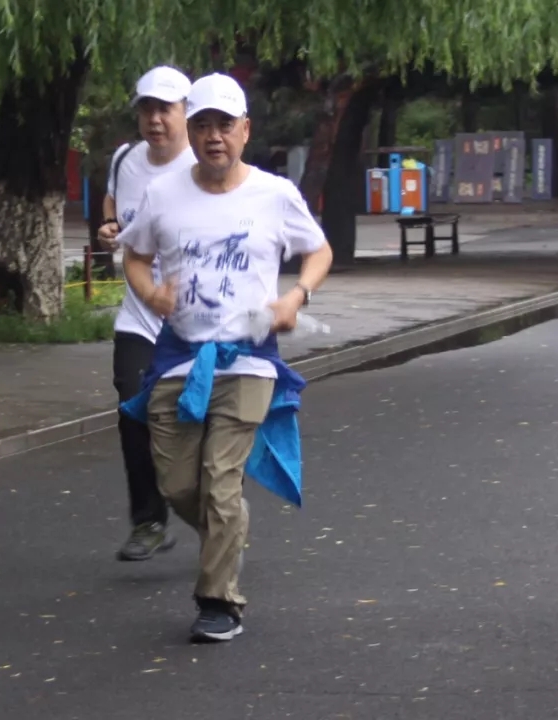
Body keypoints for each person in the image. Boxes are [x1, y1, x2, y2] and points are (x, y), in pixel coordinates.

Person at [118, 72, 334, 642]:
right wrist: (151, 294)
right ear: (190, 132)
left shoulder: (273, 194)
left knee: (220, 481)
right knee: (176, 486)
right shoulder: (163, 195)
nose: (213, 136)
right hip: (178, 359)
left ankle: (219, 602)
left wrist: (296, 296)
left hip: (248, 359)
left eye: (224, 125)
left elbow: (318, 251)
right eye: (202, 125)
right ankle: (228, 525)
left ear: (245, 130)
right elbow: (134, 256)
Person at [98, 66, 196, 562]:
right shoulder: (126, 158)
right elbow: (114, 200)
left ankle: (217, 515)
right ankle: (149, 520)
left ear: (186, 112)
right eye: (146, 110)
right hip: (139, 315)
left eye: (165, 109)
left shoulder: (205, 163)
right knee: (133, 410)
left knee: (198, 422)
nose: (155, 120)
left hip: (196, 321)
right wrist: (109, 224)